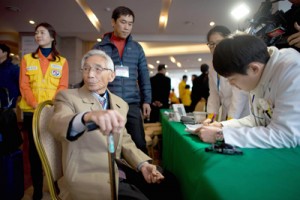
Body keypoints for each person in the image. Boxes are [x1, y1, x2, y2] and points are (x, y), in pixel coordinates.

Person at [48, 49, 182, 200]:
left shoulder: (120, 103)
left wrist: (142, 165)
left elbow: (124, 139)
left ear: (112, 75)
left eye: (98, 69)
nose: (90, 74)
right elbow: (56, 123)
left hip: (117, 168)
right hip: (88, 175)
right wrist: (87, 116)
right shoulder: (68, 97)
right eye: (86, 68)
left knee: (169, 182)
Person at [195, 33, 300, 148]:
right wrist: (222, 125)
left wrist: (220, 135)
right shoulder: (259, 74)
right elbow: (257, 120)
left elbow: (285, 135)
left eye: (232, 79)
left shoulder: (292, 70)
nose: (232, 85)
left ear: (254, 68)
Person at [19, 22, 69, 200]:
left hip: (52, 112)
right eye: (36, 33)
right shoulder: (27, 59)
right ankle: (38, 190)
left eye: (42, 32)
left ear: (52, 36)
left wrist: (48, 106)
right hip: (31, 113)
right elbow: (24, 86)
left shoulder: (62, 62)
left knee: (53, 151)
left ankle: (56, 188)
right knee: (33, 153)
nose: (38, 35)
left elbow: (62, 87)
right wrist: (35, 104)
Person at [93, 6, 151, 154]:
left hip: (131, 103)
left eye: (130, 24)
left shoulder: (137, 48)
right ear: (113, 22)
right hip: (108, 103)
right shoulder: (100, 47)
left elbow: (144, 75)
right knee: (110, 145)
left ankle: (140, 176)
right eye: (123, 22)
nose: (126, 27)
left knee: (139, 143)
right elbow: (93, 75)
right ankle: (116, 176)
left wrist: (146, 101)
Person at [204, 25, 249, 124]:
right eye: (211, 44)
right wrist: (211, 118)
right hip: (226, 114)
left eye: (219, 43)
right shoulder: (212, 66)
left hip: (242, 114)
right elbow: (214, 94)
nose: (215, 48)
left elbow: (239, 96)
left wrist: (229, 122)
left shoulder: (237, 61)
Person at [0, 44, 20, 108]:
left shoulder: (14, 68)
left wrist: (13, 98)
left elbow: (19, 84)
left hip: (8, 105)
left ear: (5, 53)